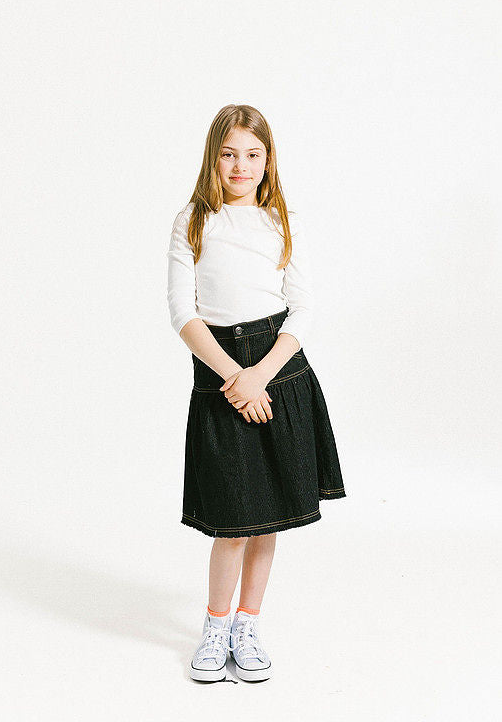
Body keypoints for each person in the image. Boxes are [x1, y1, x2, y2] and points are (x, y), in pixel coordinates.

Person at [166, 104, 347, 683]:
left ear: (268, 160)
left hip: (278, 372)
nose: (240, 166)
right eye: (229, 154)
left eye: (252, 154)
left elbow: (303, 307)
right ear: (212, 159)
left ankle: (248, 624)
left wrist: (260, 375)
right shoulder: (194, 220)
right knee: (231, 519)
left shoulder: (282, 220)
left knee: (267, 518)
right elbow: (183, 313)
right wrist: (234, 379)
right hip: (220, 373)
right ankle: (215, 626)